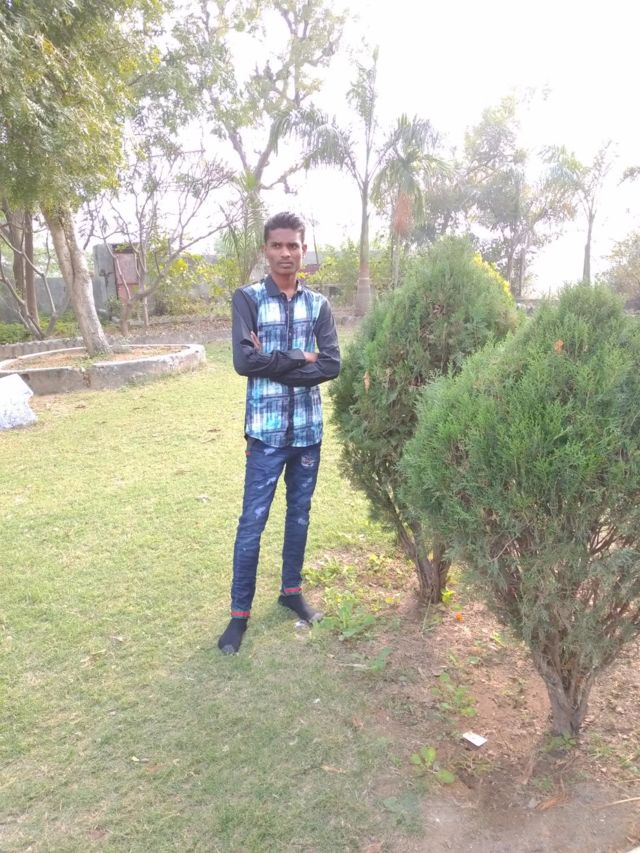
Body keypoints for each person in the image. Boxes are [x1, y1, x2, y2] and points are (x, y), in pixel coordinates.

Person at [217, 211, 341, 654]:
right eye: (277, 245)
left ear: (304, 250)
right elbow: (243, 363)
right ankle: (239, 615)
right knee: (252, 522)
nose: (285, 253)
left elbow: (332, 364)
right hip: (266, 435)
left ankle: (291, 592)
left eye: (293, 245)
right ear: (265, 250)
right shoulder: (247, 299)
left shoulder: (319, 305)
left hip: (307, 433)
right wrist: (301, 358)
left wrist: (273, 361)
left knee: (299, 515)